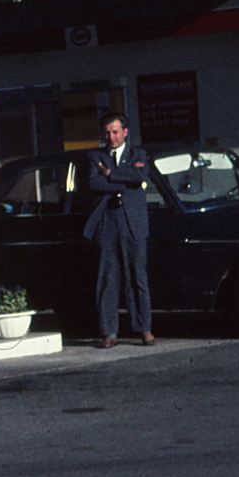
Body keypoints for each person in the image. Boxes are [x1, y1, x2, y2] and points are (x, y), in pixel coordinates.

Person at [83, 112, 155, 348]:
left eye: (115, 132)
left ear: (125, 132)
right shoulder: (95, 156)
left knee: (138, 277)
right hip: (107, 222)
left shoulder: (138, 154)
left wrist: (111, 174)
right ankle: (109, 331)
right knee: (108, 278)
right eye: (107, 133)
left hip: (133, 223)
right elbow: (94, 183)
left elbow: (140, 175)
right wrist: (125, 181)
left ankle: (144, 329)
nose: (111, 137)